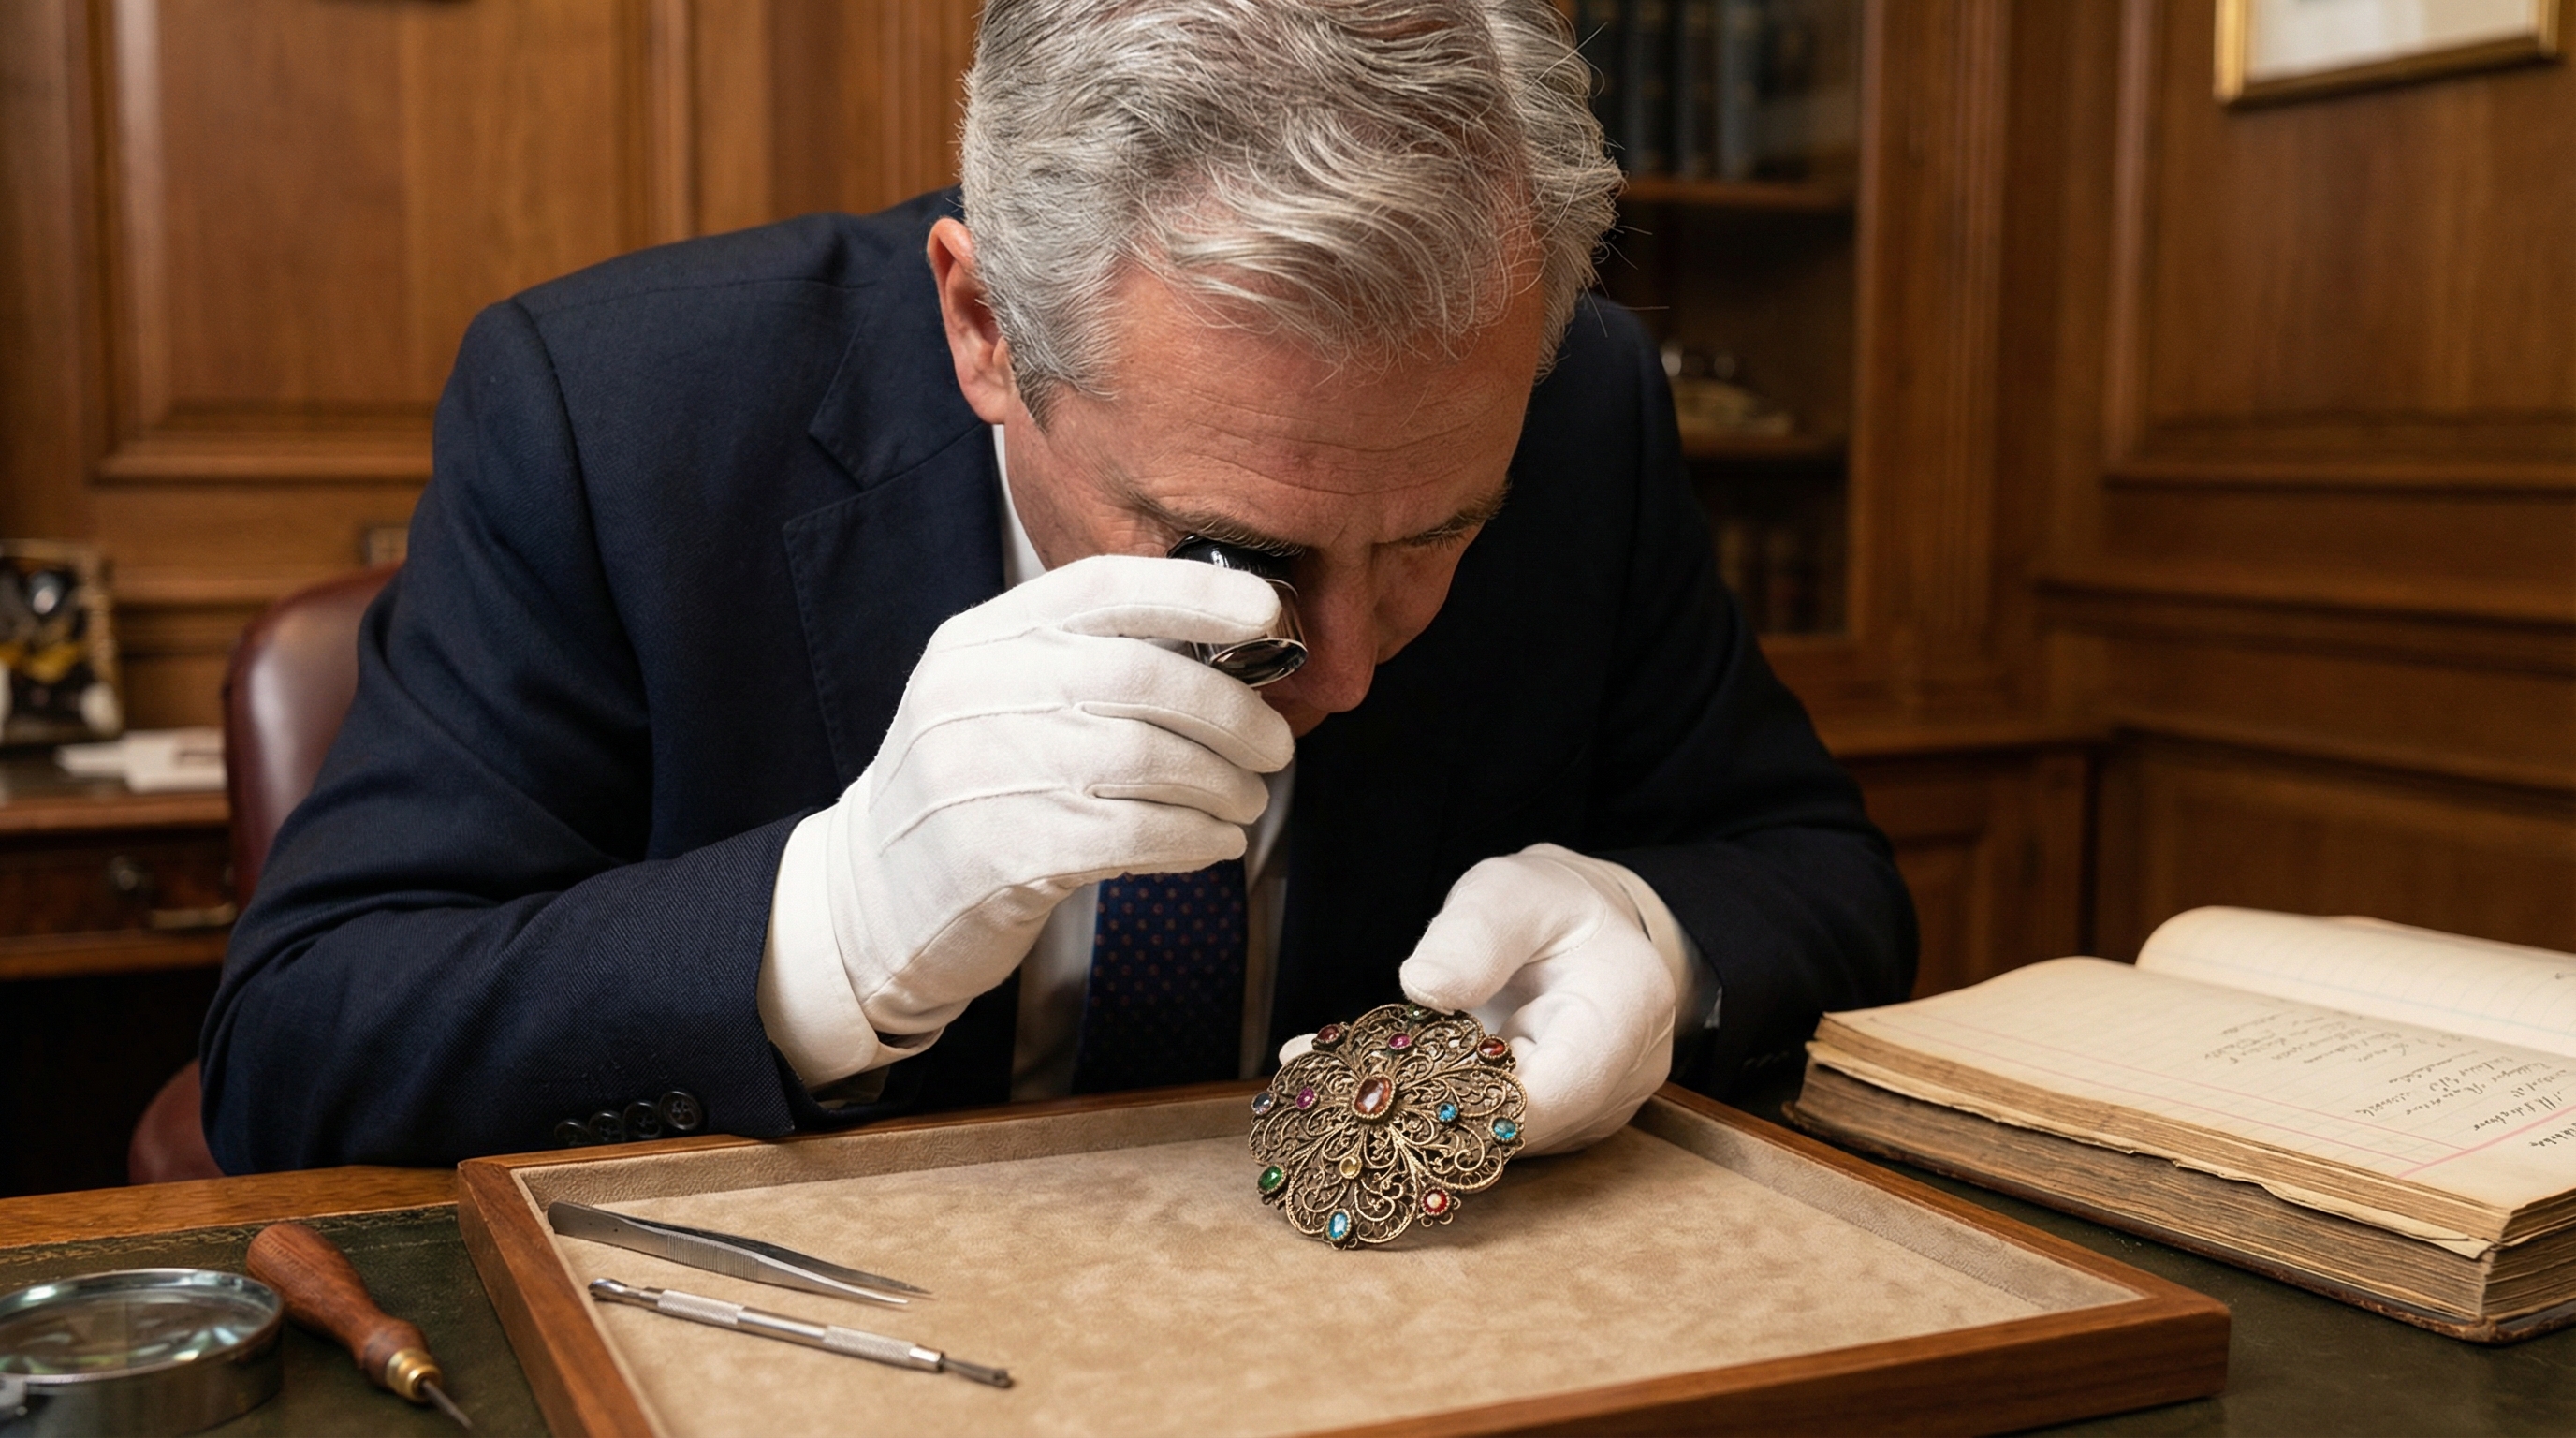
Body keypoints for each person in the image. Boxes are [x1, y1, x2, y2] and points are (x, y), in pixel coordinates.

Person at [201, 0, 1913, 1173]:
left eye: (1434, 537)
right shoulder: (616, 417)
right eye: (1241, 547)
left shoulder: (1585, 406)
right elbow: (298, 1051)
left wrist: (1654, 942)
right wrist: (824, 932)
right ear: (982, 327)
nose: (1343, 673)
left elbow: (1821, 876)